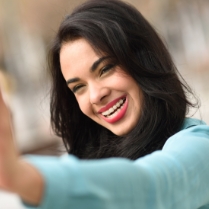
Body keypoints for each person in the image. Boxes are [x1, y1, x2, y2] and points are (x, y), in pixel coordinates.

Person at [0, 0, 209, 208]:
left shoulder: (199, 146)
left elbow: (154, 186)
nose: (94, 96)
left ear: (144, 59)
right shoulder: (90, 166)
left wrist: (22, 177)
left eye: (105, 69)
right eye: (78, 87)